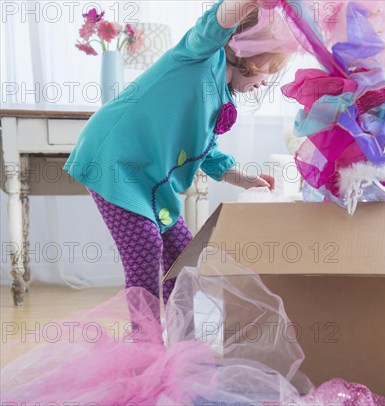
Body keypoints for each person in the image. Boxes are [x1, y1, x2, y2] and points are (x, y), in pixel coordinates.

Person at [63, 0, 289, 309]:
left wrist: (245, 179)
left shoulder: (220, 100)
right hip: (112, 157)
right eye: (268, 72)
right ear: (247, 52)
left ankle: (181, 337)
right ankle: (148, 344)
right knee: (144, 246)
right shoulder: (201, 56)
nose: (265, 82)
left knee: (183, 257)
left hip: (150, 179)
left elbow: (208, 155)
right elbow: (217, 23)